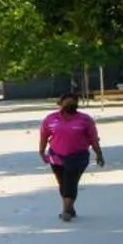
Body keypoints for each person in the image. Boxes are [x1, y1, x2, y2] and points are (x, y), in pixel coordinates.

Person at [39, 93, 104, 222]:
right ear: (60, 103)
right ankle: (70, 208)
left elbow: (93, 138)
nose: (70, 105)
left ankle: (66, 211)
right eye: (67, 102)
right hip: (56, 155)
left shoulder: (85, 119)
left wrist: (99, 154)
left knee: (70, 181)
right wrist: (41, 151)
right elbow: (44, 136)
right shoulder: (50, 119)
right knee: (63, 184)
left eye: (73, 103)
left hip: (78, 156)